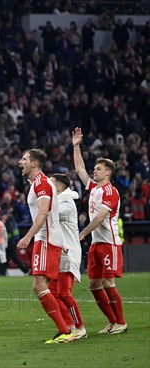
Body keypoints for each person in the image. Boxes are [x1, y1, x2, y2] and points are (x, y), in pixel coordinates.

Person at [73, 127, 127, 334]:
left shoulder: (111, 192)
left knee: (107, 282)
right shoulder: (94, 188)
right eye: (94, 168)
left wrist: (84, 232)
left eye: (98, 169)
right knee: (94, 285)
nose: (94, 171)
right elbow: (79, 169)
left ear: (108, 172)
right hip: (96, 244)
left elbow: (101, 217)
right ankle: (112, 321)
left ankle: (121, 322)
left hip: (110, 243)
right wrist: (76, 146)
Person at [17, 149, 74, 344]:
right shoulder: (38, 183)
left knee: (39, 285)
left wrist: (28, 236)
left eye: (24, 159)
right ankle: (67, 328)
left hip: (46, 239)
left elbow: (43, 212)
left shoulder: (41, 183)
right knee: (45, 287)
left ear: (34, 163)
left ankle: (66, 330)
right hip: (47, 239)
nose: (20, 162)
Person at [49, 173, 86, 339]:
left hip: (68, 252)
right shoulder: (59, 200)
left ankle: (80, 327)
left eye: (50, 184)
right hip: (59, 252)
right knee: (52, 292)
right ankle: (69, 325)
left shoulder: (66, 203)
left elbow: (50, 213)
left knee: (63, 293)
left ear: (58, 187)